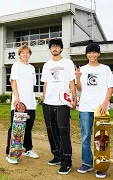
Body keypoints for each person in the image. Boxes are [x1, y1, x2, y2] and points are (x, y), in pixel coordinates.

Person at [75, 43, 113, 179]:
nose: (92, 55)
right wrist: (77, 77)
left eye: (94, 52)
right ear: (86, 54)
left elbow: (111, 87)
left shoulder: (105, 69)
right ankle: (87, 163)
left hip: (101, 108)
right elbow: (80, 89)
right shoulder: (82, 69)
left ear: (98, 54)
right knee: (86, 136)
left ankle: (101, 166)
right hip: (85, 107)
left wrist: (105, 103)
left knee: (101, 137)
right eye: (89, 53)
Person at [41, 38, 77, 175]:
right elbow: (45, 83)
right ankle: (56, 155)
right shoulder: (47, 65)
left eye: (57, 46)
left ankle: (66, 162)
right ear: (50, 49)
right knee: (51, 131)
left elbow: (71, 81)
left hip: (63, 102)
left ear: (61, 49)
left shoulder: (68, 63)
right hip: (48, 102)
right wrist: (44, 98)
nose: (55, 48)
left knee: (63, 132)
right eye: (52, 47)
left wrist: (74, 98)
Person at [5, 45, 39, 164]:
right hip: (19, 103)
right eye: (23, 53)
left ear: (30, 55)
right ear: (19, 55)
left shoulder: (32, 68)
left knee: (28, 128)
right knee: (15, 129)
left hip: (30, 103)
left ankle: (28, 149)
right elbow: (13, 82)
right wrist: (17, 97)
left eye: (27, 53)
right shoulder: (16, 65)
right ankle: (10, 153)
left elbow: (31, 85)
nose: (25, 54)